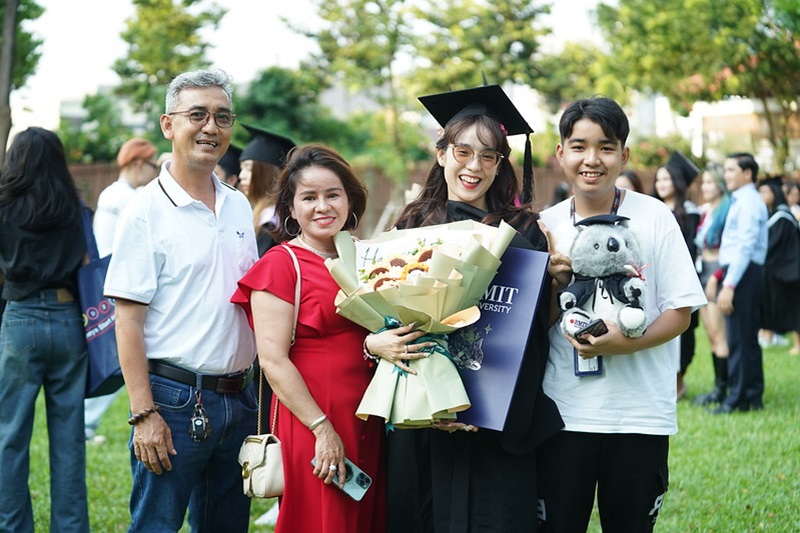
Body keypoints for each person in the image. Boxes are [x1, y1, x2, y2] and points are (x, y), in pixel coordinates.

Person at [387, 84, 564, 533]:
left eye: (489, 156)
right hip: (424, 416)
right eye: (463, 151)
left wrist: (556, 286)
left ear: (502, 163)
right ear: (442, 152)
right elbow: (391, 314)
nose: (474, 166)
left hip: (496, 417)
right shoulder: (411, 224)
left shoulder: (523, 229)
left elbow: (535, 331)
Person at [536, 96, 706, 531]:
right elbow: (533, 328)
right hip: (563, 415)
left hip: (639, 415)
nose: (592, 159)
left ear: (624, 155)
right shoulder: (544, 225)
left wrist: (626, 342)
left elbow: (681, 312)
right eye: (579, 146)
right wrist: (555, 287)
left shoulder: (654, 217)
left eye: (606, 147)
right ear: (560, 154)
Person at [231, 143, 420, 533]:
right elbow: (272, 360)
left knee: (363, 521)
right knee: (324, 521)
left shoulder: (366, 259)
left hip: (367, 420)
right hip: (315, 421)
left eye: (333, 194)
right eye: (309, 197)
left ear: (350, 199)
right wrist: (322, 429)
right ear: (291, 206)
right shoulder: (281, 264)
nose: (323, 206)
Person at [103, 68, 260, 531]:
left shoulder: (236, 205)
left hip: (239, 399)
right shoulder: (143, 211)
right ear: (168, 125)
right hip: (172, 401)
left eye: (223, 117)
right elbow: (126, 319)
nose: (211, 127)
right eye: (198, 114)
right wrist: (143, 413)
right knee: (156, 524)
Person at [0, 127, 90, 532]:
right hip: (69, 320)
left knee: (9, 436)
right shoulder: (76, 208)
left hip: (19, 320)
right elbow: (91, 268)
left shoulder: (3, 206)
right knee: (69, 439)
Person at [84, 137, 159, 445]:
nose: (155, 171)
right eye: (153, 164)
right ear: (138, 164)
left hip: (117, 287)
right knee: (115, 364)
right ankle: (85, 423)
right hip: (118, 290)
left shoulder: (121, 194)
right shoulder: (122, 197)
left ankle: (85, 423)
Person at [706, 153, 768, 414]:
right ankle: (751, 395)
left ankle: (738, 398)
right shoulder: (742, 200)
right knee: (744, 337)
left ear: (748, 174)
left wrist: (729, 285)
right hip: (741, 271)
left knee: (740, 338)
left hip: (744, 273)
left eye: (732, 170)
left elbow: (744, 246)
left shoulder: (749, 202)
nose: (727, 175)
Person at [653, 151, 702, 399]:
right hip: (654, 283)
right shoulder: (651, 212)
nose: (661, 184)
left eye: (666, 179)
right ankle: (665, 381)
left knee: (685, 333)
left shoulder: (690, 213)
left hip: (682, 279)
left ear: (677, 182)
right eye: (658, 179)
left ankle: (679, 381)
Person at [692, 163, 732, 406]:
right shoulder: (706, 211)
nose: (705, 187)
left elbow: (729, 250)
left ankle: (723, 389)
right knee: (710, 334)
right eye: (703, 182)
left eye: (709, 182)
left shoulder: (728, 211)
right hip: (702, 272)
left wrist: (716, 277)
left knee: (720, 335)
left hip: (717, 273)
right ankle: (718, 386)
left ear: (719, 183)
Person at [239, 124, 297, 257]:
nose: (241, 175)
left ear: (267, 173)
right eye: (241, 168)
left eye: (248, 168)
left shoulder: (272, 224)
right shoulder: (255, 212)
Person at [757, 177, 800, 349]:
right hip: (778, 270)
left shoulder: (783, 216)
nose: (761, 195)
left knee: (795, 306)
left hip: (790, 270)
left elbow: (774, 244)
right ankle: (770, 335)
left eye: (765, 192)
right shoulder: (772, 215)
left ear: (775, 193)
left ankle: (798, 344)